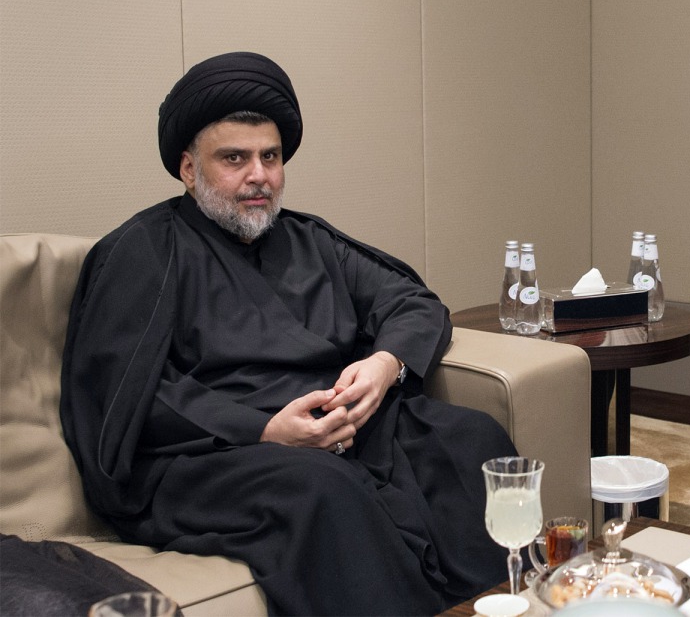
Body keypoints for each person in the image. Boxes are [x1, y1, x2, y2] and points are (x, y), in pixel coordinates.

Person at [59, 51, 515, 615]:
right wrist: (263, 430)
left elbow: (413, 303)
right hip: (214, 456)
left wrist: (383, 365)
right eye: (234, 158)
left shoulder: (309, 241)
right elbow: (123, 396)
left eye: (270, 157)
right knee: (321, 488)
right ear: (187, 168)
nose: (259, 176)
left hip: (342, 432)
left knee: (469, 440)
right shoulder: (143, 251)